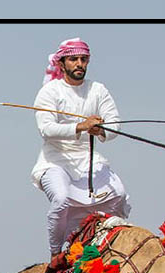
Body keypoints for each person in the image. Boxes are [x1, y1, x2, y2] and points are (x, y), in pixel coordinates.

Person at [32, 38, 130, 258]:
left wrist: (102, 130)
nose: (79, 64)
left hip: (89, 160)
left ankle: (109, 246)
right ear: (62, 63)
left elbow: (116, 124)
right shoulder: (50, 92)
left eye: (83, 59)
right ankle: (55, 255)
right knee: (61, 198)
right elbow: (46, 129)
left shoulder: (98, 90)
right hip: (55, 161)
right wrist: (81, 126)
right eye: (74, 59)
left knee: (119, 194)